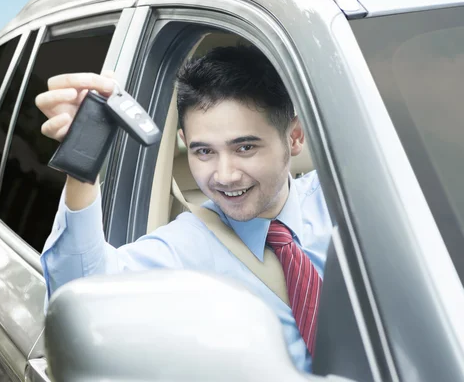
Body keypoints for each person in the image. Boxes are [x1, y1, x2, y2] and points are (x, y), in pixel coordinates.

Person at [36, 45, 332, 373]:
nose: (224, 175)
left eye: (245, 147)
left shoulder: (344, 204)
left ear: (295, 137)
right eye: (204, 152)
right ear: (184, 141)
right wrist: (81, 164)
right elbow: (80, 305)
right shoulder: (183, 248)